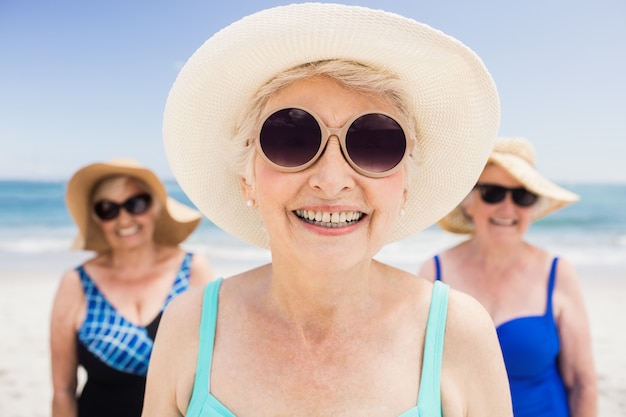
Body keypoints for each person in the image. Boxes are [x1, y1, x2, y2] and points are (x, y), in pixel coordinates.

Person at [144, 3, 513, 416]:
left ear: (405, 185)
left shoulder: (458, 333)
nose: (332, 179)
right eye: (292, 138)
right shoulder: (187, 326)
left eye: (375, 144)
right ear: (247, 178)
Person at [418, 137, 597, 416]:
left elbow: (583, 383)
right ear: (468, 202)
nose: (508, 208)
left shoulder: (557, 272)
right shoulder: (434, 272)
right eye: (493, 193)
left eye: (523, 196)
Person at [50, 159, 215, 417]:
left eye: (135, 204)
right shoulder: (76, 283)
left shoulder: (193, 270)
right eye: (108, 209)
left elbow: (215, 374)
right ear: (96, 219)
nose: (124, 218)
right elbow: (62, 390)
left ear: (156, 208)